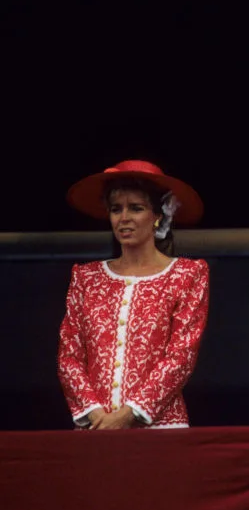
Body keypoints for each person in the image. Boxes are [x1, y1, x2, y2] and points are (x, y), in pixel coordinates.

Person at [57, 159, 209, 429]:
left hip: (162, 429)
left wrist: (128, 415)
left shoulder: (187, 274)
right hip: (95, 429)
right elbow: (69, 356)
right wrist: (96, 415)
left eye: (136, 208)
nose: (124, 218)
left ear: (158, 215)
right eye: (116, 209)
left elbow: (181, 356)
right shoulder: (86, 277)